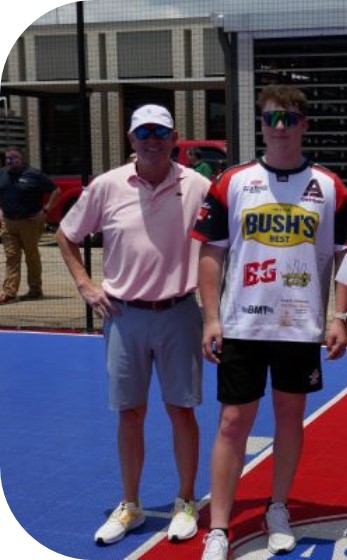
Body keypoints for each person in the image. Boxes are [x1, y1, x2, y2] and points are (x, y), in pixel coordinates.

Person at [194, 84, 347, 560]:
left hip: (300, 326)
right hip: (242, 324)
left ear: (305, 125)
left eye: (289, 118)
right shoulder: (232, 182)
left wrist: (341, 317)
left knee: (290, 418)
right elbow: (210, 254)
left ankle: (278, 507)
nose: (280, 127)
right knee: (231, 422)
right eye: (271, 119)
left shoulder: (330, 187)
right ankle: (220, 527)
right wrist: (210, 318)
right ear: (261, 125)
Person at [55, 104, 210, 545]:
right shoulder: (106, 186)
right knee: (130, 412)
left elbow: (222, 241)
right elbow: (67, 235)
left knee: (182, 410)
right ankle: (131, 505)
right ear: (130, 138)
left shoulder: (198, 185)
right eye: (144, 133)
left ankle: (184, 502)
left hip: (180, 312)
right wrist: (85, 284)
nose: (152, 141)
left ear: (174, 135)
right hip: (123, 316)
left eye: (160, 132)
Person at [0, 146, 58, 304]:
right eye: (8, 158)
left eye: (14, 158)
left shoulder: (34, 174)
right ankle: (9, 293)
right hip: (8, 223)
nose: (10, 161)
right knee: (12, 257)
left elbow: (55, 190)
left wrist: (45, 211)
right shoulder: (2, 174)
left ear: (22, 159)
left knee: (31, 256)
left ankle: (35, 290)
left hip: (29, 222)